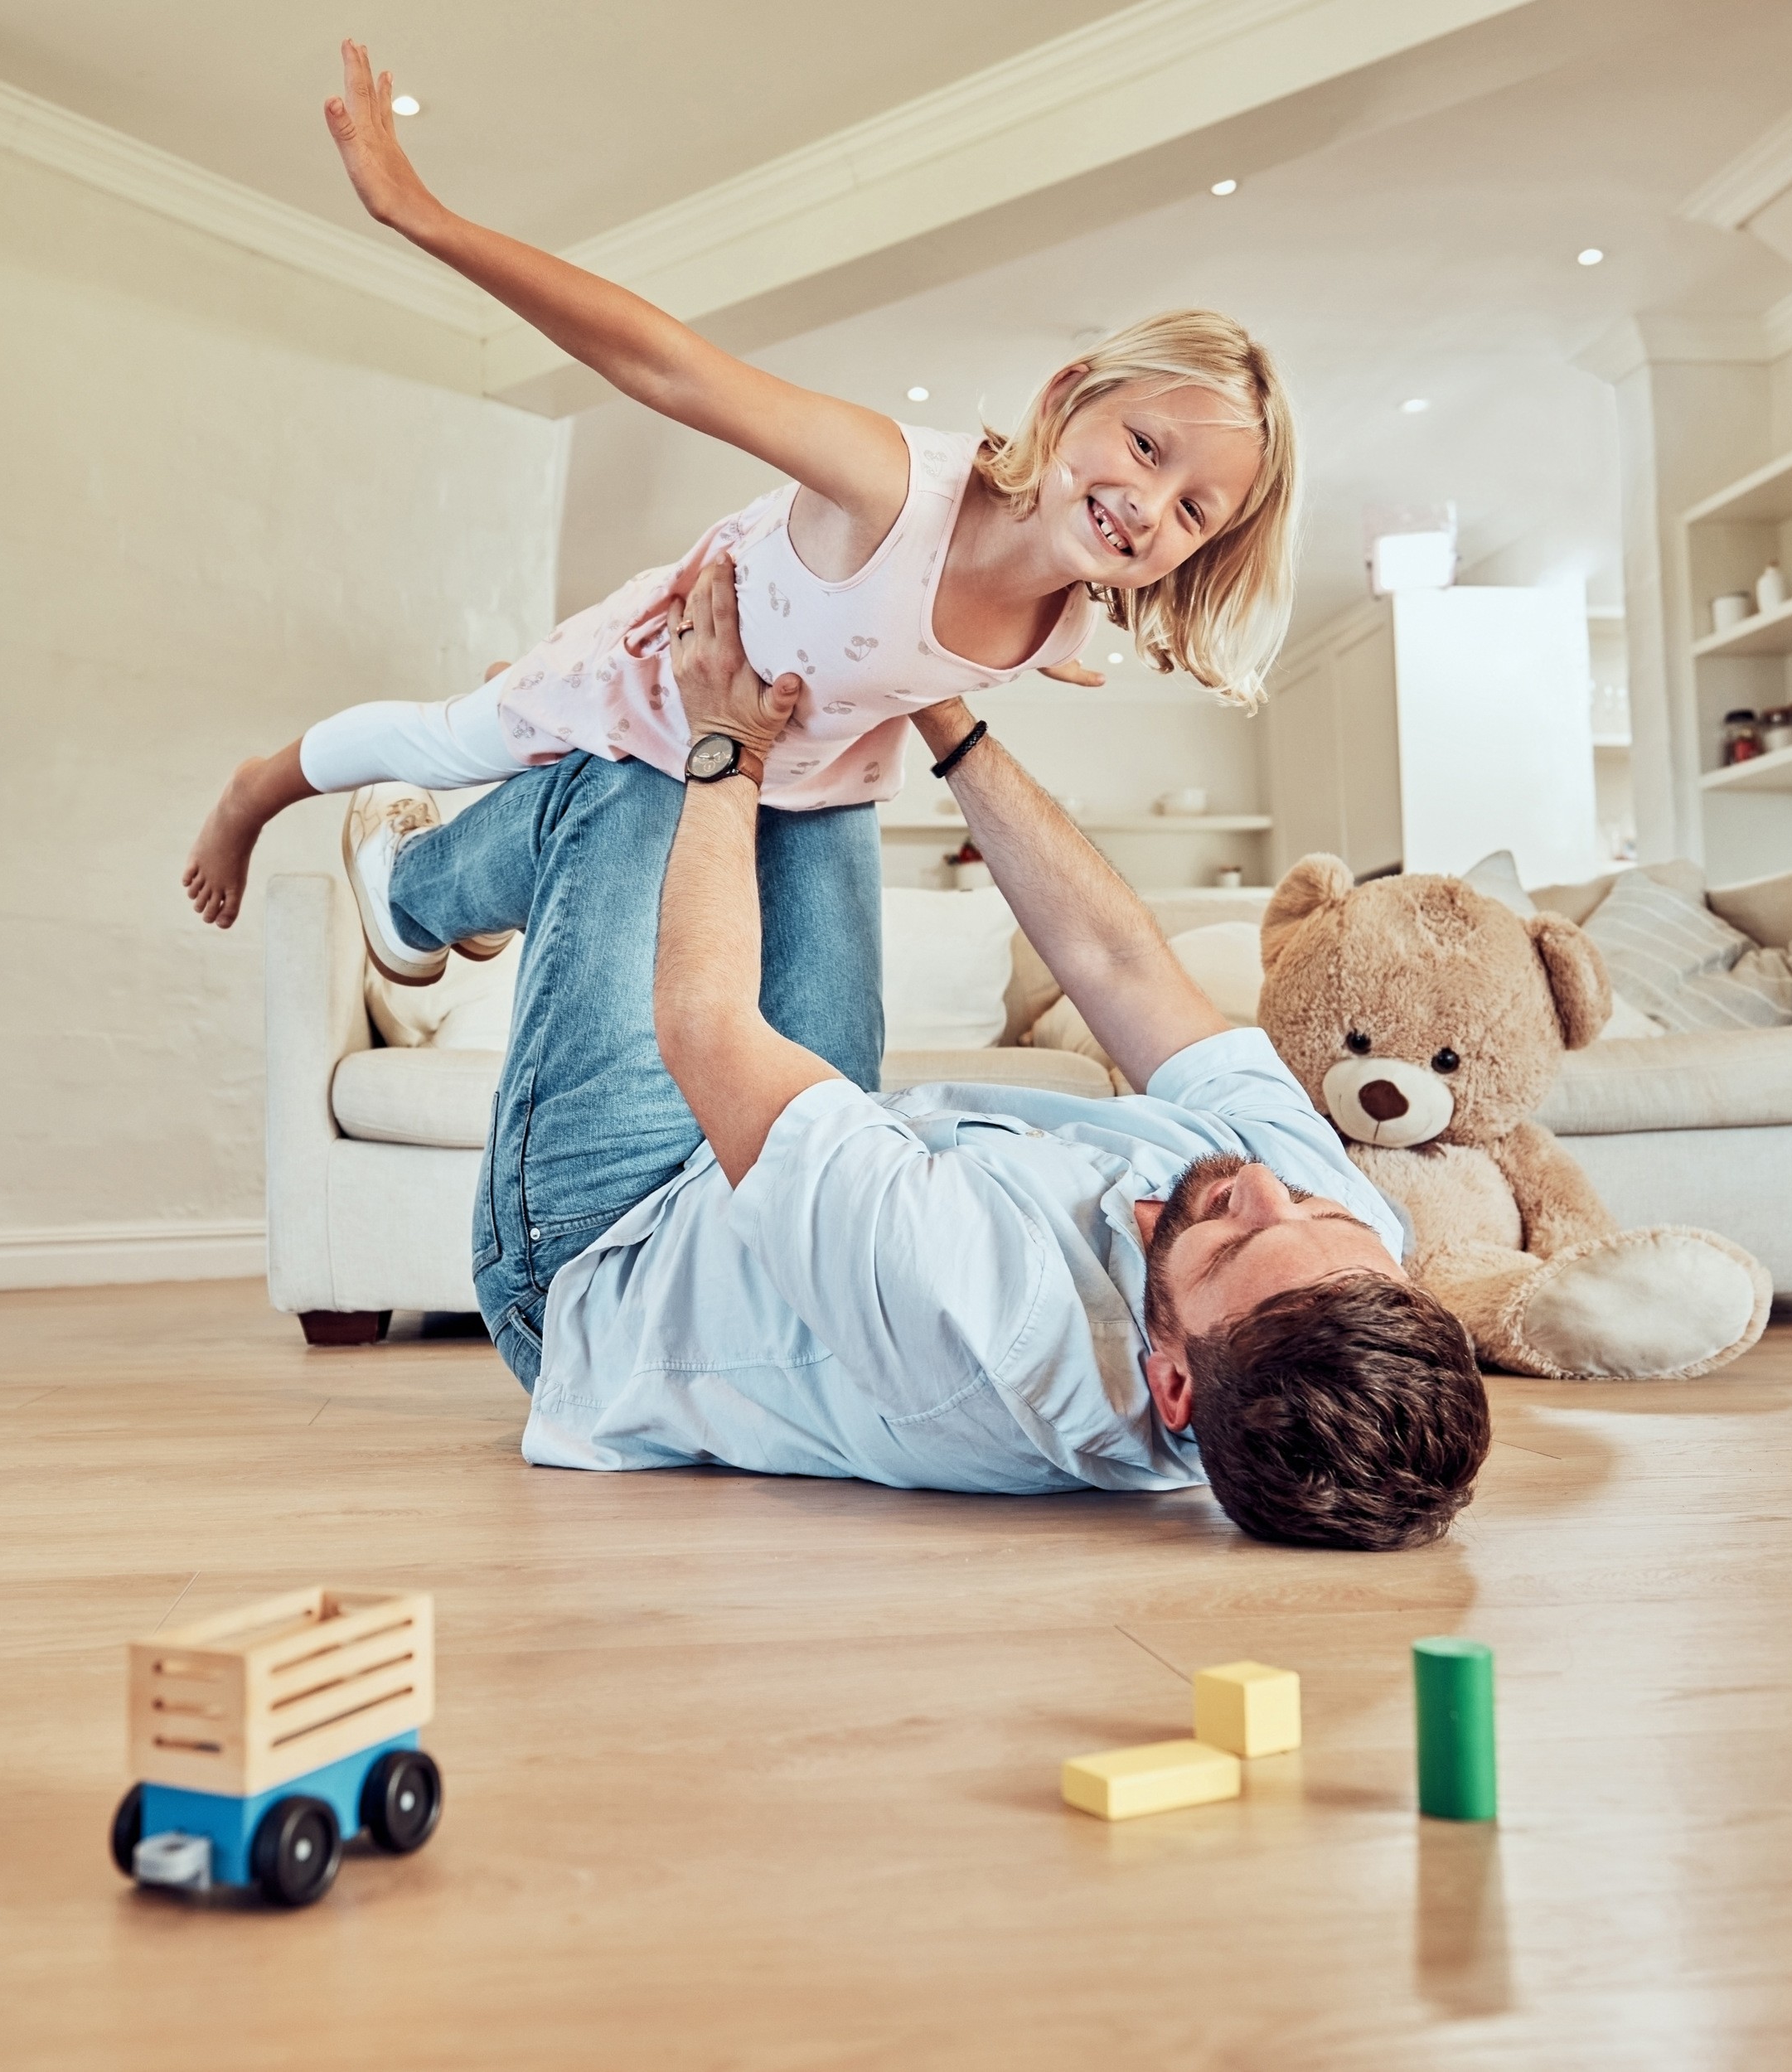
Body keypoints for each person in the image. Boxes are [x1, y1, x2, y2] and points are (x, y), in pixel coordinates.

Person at [344, 556, 1490, 1552]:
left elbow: (706, 1029)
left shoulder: (986, 1322)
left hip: (612, 1249)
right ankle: (534, 841)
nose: (1264, 1191)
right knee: (839, 738)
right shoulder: (1335, 1243)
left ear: (1172, 1385)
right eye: (1319, 1218)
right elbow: (1118, 967)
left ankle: (411, 896)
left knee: (643, 755)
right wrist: (942, 705)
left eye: (1234, 1243)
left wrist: (717, 748)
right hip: (803, 1151)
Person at [181, 41, 1298, 953]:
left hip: (779, 777)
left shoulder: (1055, 613)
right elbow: (668, 365)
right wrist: (428, 218)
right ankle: (260, 786)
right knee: (449, 744)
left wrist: (1022, 629)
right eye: (1146, 447)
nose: (1151, 505)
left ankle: (512, 765)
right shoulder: (890, 481)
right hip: (654, 689)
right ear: (1069, 395)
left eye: (1193, 511)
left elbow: (942, 632)